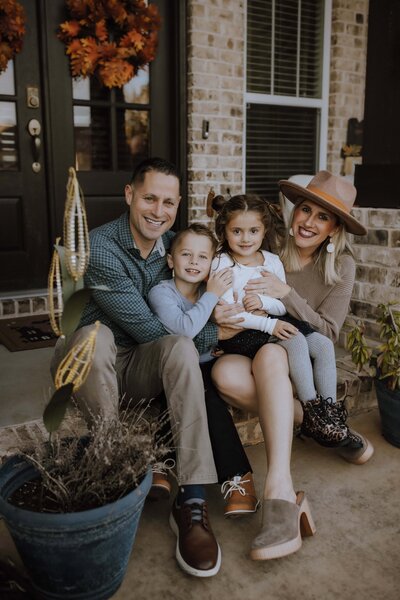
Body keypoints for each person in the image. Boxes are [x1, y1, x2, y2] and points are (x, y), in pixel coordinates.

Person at [50, 157, 239, 578]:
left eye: (169, 202)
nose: (159, 211)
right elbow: (148, 327)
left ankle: (190, 501)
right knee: (100, 336)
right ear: (129, 195)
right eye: (150, 198)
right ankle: (111, 472)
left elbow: (175, 334)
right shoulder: (100, 247)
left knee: (179, 349)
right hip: (90, 364)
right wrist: (216, 336)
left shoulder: (177, 248)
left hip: (136, 366)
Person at [211, 171, 374, 561]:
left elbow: (328, 332)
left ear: (335, 228)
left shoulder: (342, 267)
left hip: (289, 349)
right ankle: (321, 424)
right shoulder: (270, 246)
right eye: (305, 210)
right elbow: (232, 242)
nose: (309, 222)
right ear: (294, 211)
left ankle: (281, 491)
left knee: (274, 352)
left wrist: (288, 295)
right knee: (222, 376)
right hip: (247, 340)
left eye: (322, 217)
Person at [210, 193, 351, 448]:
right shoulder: (223, 262)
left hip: (274, 321)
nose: (246, 238)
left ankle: (328, 413)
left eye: (322, 217)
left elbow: (279, 304)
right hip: (249, 331)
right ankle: (311, 411)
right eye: (305, 210)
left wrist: (266, 302)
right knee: (295, 340)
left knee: (324, 346)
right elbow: (229, 312)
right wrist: (268, 321)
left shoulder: (271, 259)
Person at [148, 223, 260, 517]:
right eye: (186, 255)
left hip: (208, 364)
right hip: (173, 369)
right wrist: (211, 298)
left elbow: (238, 322)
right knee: (187, 393)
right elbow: (183, 329)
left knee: (208, 396)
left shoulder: (215, 293)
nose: (194, 262)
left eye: (202, 257)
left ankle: (237, 480)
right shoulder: (162, 293)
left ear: (212, 262)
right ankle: (163, 460)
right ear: (171, 260)